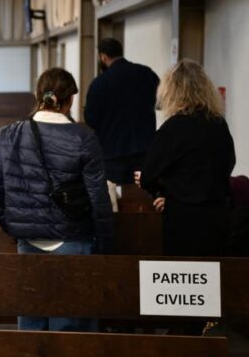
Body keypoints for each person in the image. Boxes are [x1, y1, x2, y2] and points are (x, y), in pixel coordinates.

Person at [0, 68, 113, 332]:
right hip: (73, 237)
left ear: (38, 95)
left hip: (28, 240)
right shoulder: (84, 138)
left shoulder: (9, 134)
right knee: (71, 328)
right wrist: (106, 245)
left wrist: (13, 224)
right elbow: (98, 196)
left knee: (31, 323)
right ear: (70, 100)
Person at [139, 60, 235, 257]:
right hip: (218, 217)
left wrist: (165, 193)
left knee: (184, 282)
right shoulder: (219, 124)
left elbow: (148, 175)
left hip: (183, 220)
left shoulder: (174, 128)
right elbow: (228, 163)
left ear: (171, 92)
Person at [84, 38, 160, 185]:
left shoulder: (99, 83)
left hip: (111, 154)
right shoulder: (146, 74)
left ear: (103, 57)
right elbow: (161, 102)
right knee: (140, 197)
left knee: (115, 198)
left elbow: (91, 119)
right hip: (143, 151)